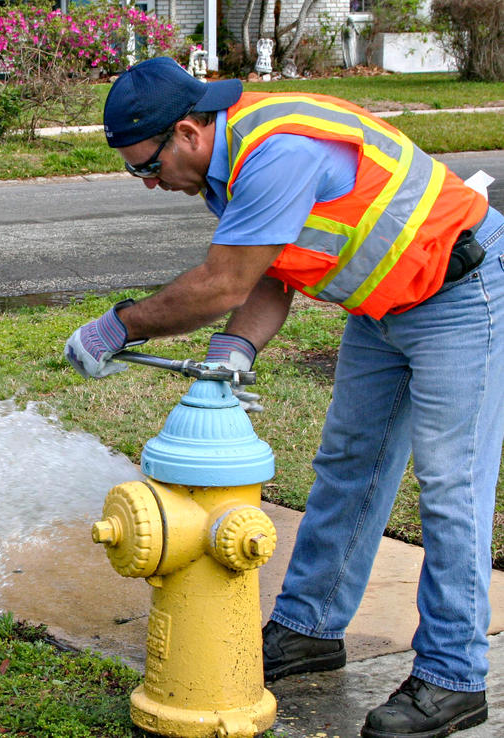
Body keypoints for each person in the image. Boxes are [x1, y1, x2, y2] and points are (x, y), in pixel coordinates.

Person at [65, 56, 503, 738]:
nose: (148, 182)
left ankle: (453, 676)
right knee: (348, 464)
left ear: (186, 131)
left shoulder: (275, 152)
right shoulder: (227, 160)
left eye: (144, 165)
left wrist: (121, 324)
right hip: (381, 304)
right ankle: (311, 628)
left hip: (460, 292)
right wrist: (235, 348)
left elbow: (224, 282)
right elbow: (273, 266)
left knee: (451, 485)